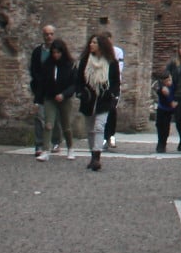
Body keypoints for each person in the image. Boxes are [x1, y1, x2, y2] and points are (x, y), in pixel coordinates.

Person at [28, 24, 74, 161]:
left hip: (64, 97)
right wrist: (37, 99)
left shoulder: (69, 65)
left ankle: (69, 147)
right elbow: (40, 80)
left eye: (58, 52)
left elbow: (73, 84)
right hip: (48, 96)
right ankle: (44, 149)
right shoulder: (45, 62)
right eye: (54, 53)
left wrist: (64, 94)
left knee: (65, 125)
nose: (55, 55)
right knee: (47, 123)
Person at [75, 32, 120, 172]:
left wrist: (112, 94)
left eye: (94, 43)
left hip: (104, 99)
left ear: (101, 46)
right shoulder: (85, 61)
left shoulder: (111, 63)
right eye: (91, 42)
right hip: (89, 99)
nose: (91, 45)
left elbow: (115, 82)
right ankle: (92, 155)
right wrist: (81, 92)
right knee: (90, 130)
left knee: (99, 127)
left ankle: (96, 157)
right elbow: (79, 80)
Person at [153, 70, 179, 156]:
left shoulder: (174, 86)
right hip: (162, 108)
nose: (168, 82)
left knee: (166, 127)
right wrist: (161, 89)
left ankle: (163, 144)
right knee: (159, 126)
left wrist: (174, 102)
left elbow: (173, 96)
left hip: (169, 109)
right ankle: (160, 144)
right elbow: (157, 88)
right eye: (166, 81)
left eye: (169, 80)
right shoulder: (162, 88)